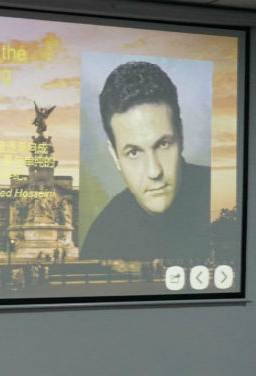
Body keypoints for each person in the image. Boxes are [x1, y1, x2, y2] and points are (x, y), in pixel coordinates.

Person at [81, 61, 210, 261]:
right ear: (115, 156)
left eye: (163, 144)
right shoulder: (101, 240)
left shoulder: (220, 196)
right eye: (133, 152)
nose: (154, 171)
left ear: (181, 135)